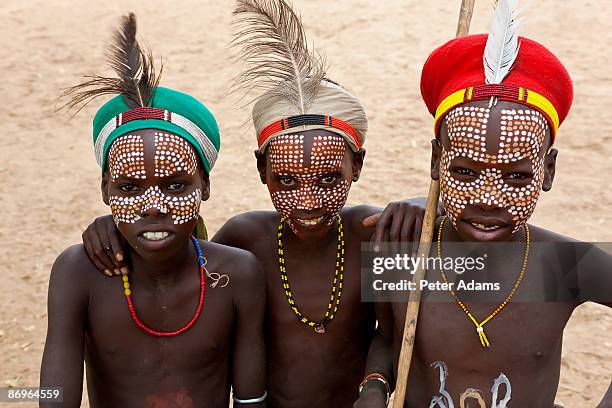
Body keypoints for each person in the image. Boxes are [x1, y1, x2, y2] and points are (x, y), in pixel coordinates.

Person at [80, 1, 432, 407]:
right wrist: (111, 227)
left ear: (358, 165)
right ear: (262, 170)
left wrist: (419, 204)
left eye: (329, 178)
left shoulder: (372, 233)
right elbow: (174, 247)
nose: (307, 200)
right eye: (286, 180)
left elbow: (392, 331)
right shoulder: (246, 238)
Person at [364, 1, 612, 406]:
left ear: (547, 171)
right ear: (435, 161)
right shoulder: (406, 251)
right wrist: (373, 386)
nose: (488, 198)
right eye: (464, 172)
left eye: (517, 176)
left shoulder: (563, 266)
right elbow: (386, 338)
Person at [40, 14, 266, 408]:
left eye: (176, 185)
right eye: (129, 188)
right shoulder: (78, 272)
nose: (153, 205)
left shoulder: (238, 274)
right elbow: (52, 398)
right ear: (106, 191)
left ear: (205, 187)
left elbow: (251, 400)